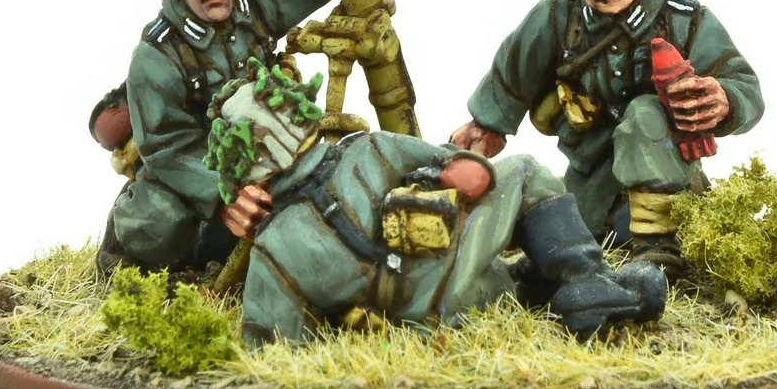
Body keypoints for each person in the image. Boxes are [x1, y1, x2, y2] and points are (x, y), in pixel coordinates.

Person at [204, 56, 666, 345]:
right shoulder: (369, 149)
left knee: (505, 283)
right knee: (524, 171)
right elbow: (470, 171)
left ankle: (545, 283)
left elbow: (271, 341)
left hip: (421, 317)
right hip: (457, 266)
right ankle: (584, 280)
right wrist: (452, 173)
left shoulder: (274, 246)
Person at [449, 0, 763, 267]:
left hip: (665, 178)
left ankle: (658, 249)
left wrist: (724, 100)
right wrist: (487, 125)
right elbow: (515, 69)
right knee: (556, 236)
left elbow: (745, 87)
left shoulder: (683, 21)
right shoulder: (563, 10)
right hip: (591, 168)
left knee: (645, 113)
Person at [89, 0, 354, 279]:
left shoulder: (255, 0)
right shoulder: (156, 57)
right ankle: (159, 263)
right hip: (199, 171)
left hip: (271, 143)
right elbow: (167, 148)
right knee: (154, 221)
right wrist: (223, 192)